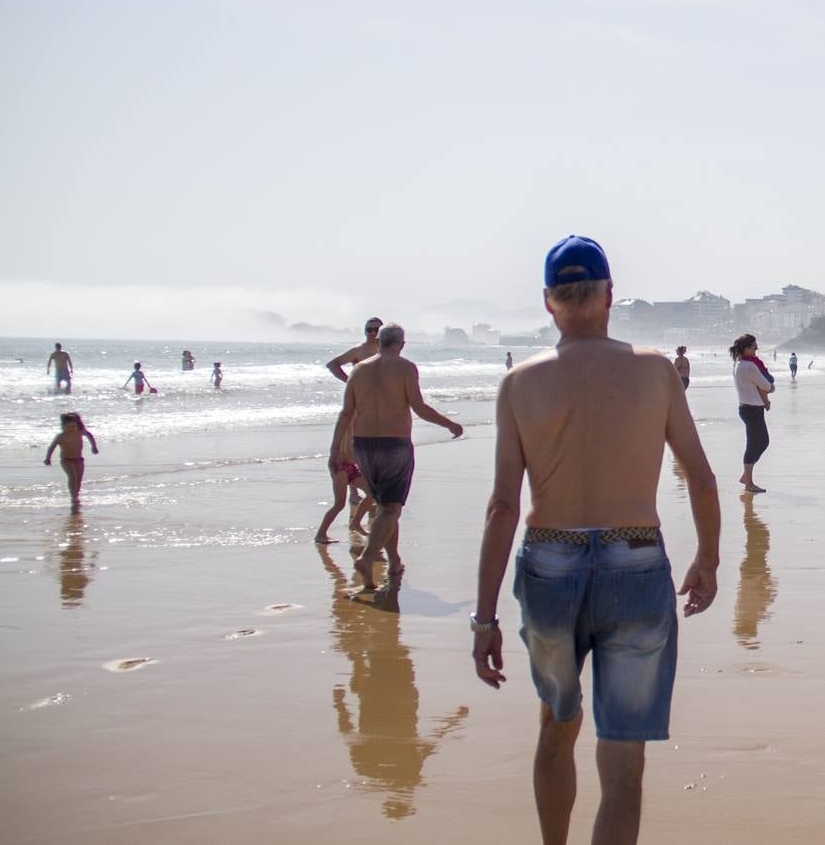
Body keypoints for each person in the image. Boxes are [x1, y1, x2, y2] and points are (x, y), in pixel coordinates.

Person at [470, 235, 720, 845]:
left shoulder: (520, 384)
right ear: (610, 296)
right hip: (635, 559)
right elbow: (700, 474)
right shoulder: (655, 370)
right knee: (623, 761)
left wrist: (483, 619)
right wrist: (707, 558)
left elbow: (504, 506)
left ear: (549, 303)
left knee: (557, 724)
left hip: (550, 562)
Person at [329, 323, 464, 591]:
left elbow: (346, 412)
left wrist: (335, 450)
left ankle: (394, 561)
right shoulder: (405, 368)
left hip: (363, 446)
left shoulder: (359, 369)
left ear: (377, 342)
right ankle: (367, 559)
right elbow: (419, 407)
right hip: (395, 445)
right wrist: (450, 424)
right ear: (401, 344)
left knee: (385, 507)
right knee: (391, 508)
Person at [732, 333, 773, 493]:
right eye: (754, 346)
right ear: (747, 348)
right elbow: (766, 385)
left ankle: (746, 476)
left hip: (748, 408)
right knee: (754, 444)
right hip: (752, 409)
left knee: (763, 442)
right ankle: (748, 482)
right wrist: (770, 387)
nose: (757, 348)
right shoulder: (749, 366)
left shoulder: (738, 363)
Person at [314, 429, 371, 544]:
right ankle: (320, 534)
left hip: (352, 466)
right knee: (339, 504)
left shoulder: (359, 421)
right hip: (341, 467)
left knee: (373, 494)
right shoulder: (349, 421)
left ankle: (355, 523)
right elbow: (345, 446)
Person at [44, 412, 98, 508]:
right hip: (66, 460)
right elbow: (52, 447)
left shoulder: (80, 432)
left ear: (78, 425)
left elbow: (89, 435)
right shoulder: (61, 436)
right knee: (73, 477)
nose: (71, 429)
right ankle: (73, 496)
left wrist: (93, 446)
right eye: (68, 427)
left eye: (73, 426)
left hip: (79, 459)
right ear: (63, 427)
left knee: (79, 479)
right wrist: (48, 458)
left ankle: (76, 495)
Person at [327, 317, 384, 382]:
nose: (373, 332)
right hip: (363, 390)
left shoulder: (389, 349)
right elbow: (332, 365)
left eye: (376, 330)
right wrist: (349, 382)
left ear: (382, 331)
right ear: (365, 332)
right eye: (369, 330)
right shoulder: (358, 350)